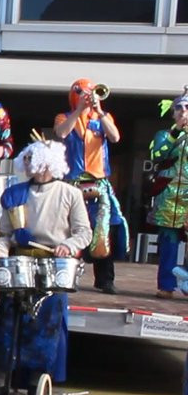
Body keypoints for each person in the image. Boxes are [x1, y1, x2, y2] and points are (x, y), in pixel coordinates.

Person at [0, 139, 91, 395]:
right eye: (27, 158)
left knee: (44, 327)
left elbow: (84, 232)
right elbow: (4, 234)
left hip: (52, 266)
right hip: (19, 264)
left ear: (47, 162)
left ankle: (35, 386)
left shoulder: (70, 194)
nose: (27, 163)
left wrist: (68, 245)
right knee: (6, 324)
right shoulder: (16, 193)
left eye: (33, 158)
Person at [53, 78, 127, 295]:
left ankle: (105, 280)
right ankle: (68, 276)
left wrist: (100, 111)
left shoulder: (102, 117)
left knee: (104, 230)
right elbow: (61, 133)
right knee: (70, 229)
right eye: (82, 92)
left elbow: (114, 137)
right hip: (73, 182)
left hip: (99, 182)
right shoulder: (64, 117)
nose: (87, 96)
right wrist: (79, 110)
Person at [149, 89, 188, 299]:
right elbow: (157, 154)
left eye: (187, 108)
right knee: (168, 243)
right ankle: (166, 286)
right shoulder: (164, 135)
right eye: (179, 108)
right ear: (173, 113)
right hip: (170, 197)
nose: (183, 111)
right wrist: (176, 132)